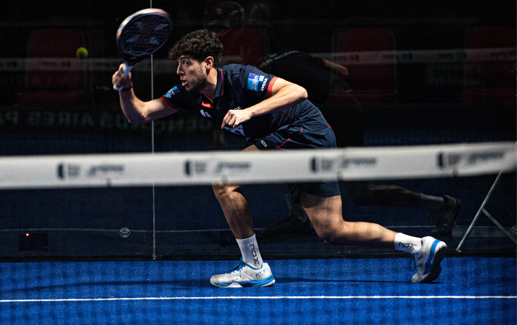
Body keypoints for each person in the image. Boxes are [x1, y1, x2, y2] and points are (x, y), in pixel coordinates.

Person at [111, 29, 447, 288]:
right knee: (332, 230)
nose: (179, 71)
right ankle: (419, 246)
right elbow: (139, 114)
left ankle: (254, 267)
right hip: (307, 140)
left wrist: (248, 113)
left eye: (186, 63)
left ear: (208, 63)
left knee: (223, 181)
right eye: (178, 64)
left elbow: (296, 92)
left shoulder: (241, 77)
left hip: (304, 131)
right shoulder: (188, 95)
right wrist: (125, 89)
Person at [258, 50, 461, 240]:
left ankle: (441, 205)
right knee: (280, 153)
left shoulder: (270, 77)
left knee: (360, 193)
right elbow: (342, 70)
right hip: (346, 111)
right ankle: (299, 217)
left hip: (339, 117)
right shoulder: (296, 55)